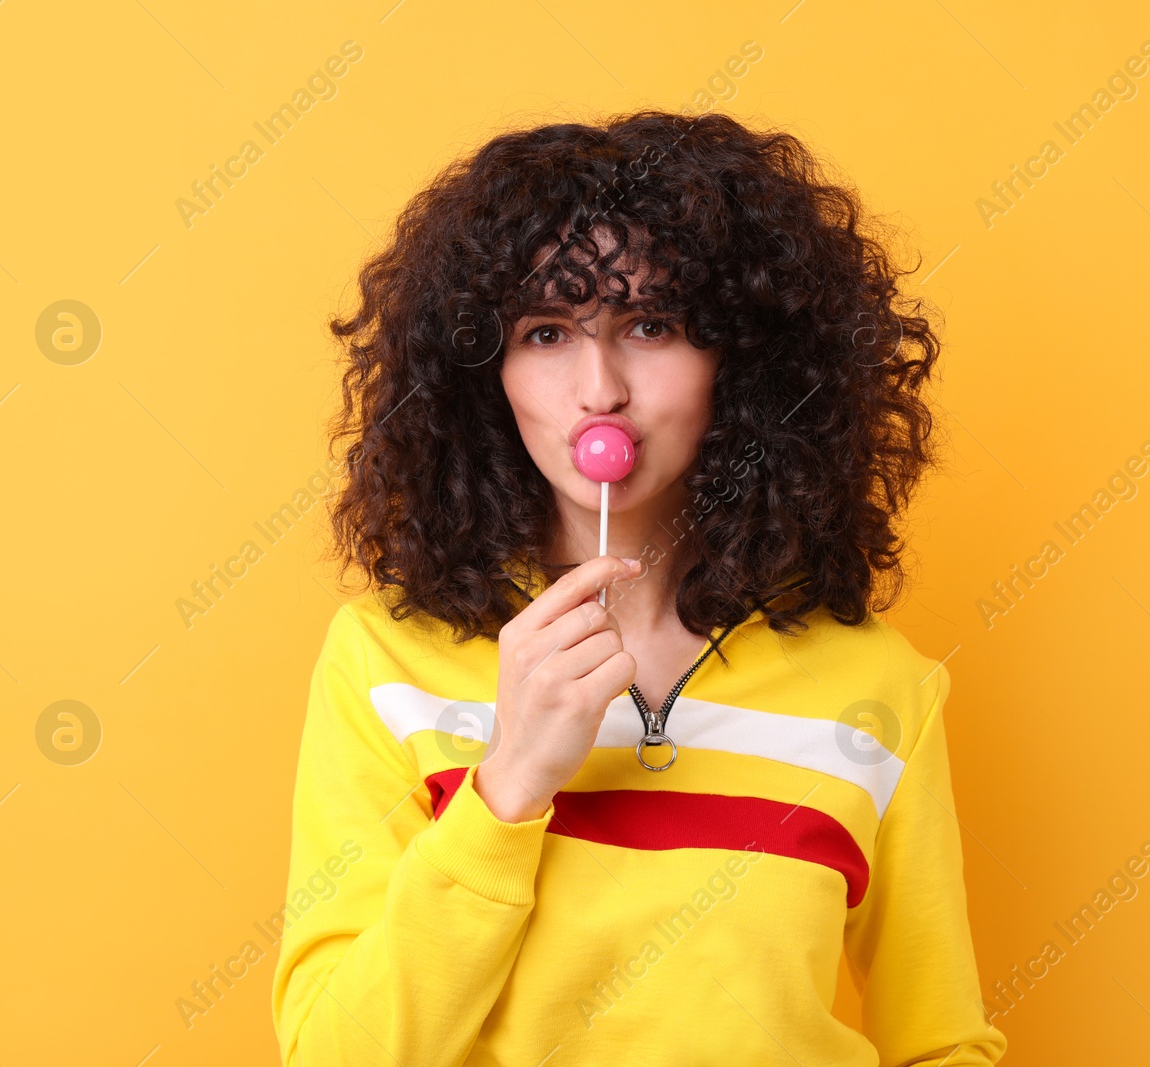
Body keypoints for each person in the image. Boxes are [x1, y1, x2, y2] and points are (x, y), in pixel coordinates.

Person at [270, 107, 1007, 1066]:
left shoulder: (882, 690)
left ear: (741, 361)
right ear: (481, 374)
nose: (600, 388)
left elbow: (939, 1042)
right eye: (544, 333)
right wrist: (509, 786)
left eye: (651, 325)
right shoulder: (384, 663)